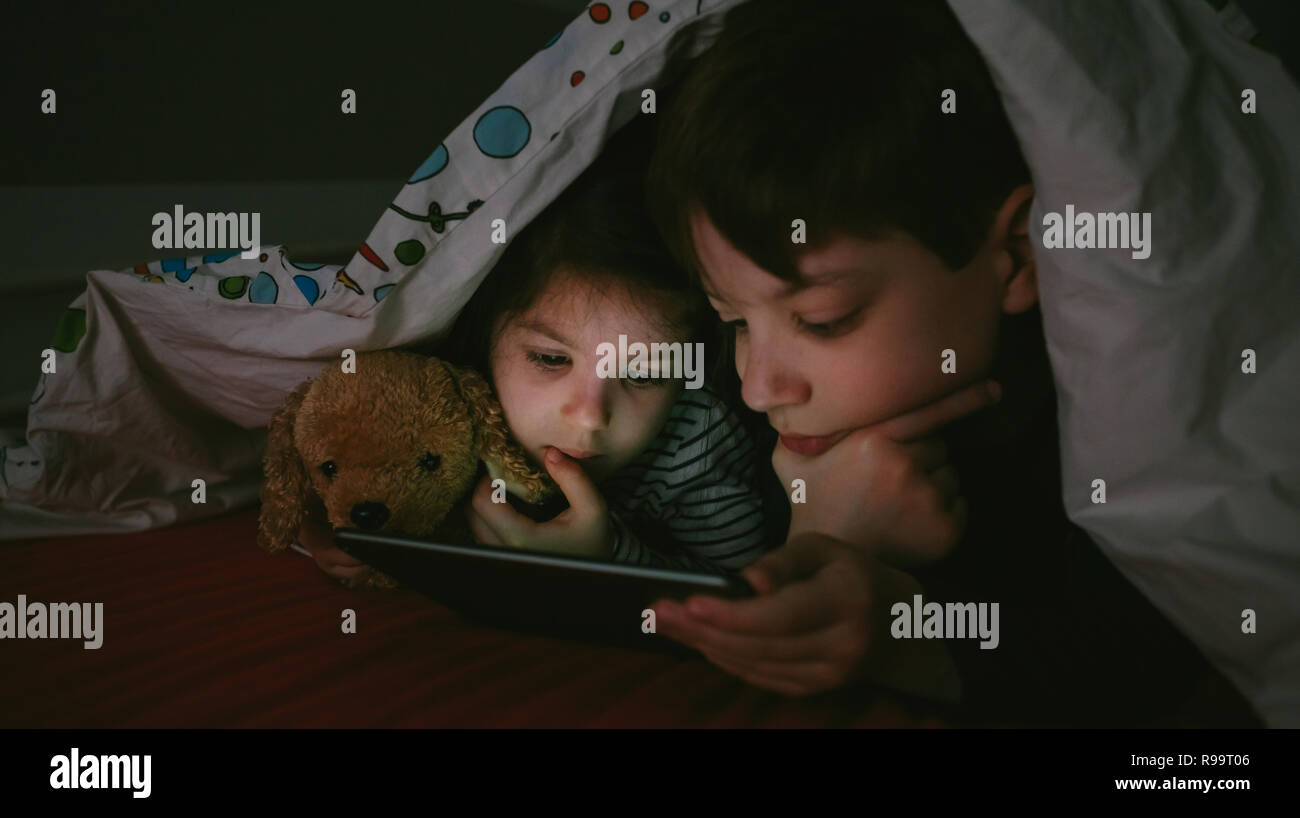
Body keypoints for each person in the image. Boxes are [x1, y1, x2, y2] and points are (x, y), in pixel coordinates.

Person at [641, 0, 1260, 725]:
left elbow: (1136, 666)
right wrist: (824, 532)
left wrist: (902, 629)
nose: (758, 386)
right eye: (734, 321)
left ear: (1018, 254)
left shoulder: (1127, 427)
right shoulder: (750, 405)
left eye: (823, 321)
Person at [298, 122, 774, 580]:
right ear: (488, 340)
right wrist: (330, 529)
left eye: (645, 374)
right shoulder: (449, 398)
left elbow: (744, 592)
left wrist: (606, 556)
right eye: (551, 359)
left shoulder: (697, 440)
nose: (589, 417)